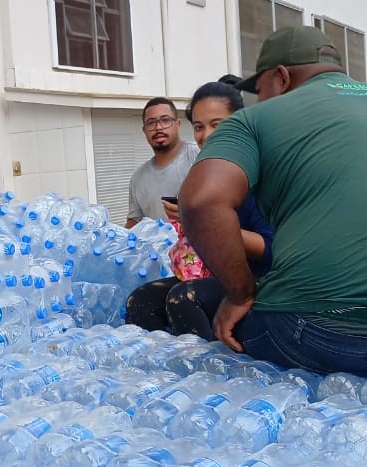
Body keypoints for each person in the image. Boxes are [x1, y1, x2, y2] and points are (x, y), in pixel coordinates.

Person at [180, 24, 367, 375]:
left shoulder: (254, 121)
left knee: (204, 312)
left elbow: (200, 201)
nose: (259, 99)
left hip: (324, 331)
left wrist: (239, 295)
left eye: (260, 88)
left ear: (281, 77)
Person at [125, 82, 273, 339]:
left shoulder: (257, 172)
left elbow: (270, 249)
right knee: (141, 299)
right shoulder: (204, 171)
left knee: (183, 298)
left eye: (217, 124)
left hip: (259, 279)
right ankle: (159, 362)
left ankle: (207, 364)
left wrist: (208, 223)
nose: (206, 135)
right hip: (217, 272)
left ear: (240, 122)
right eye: (199, 127)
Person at [126, 98, 198, 227]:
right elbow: (134, 222)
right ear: (144, 130)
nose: (158, 127)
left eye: (165, 120)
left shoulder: (198, 156)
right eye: (151, 122)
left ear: (178, 124)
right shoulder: (138, 178)